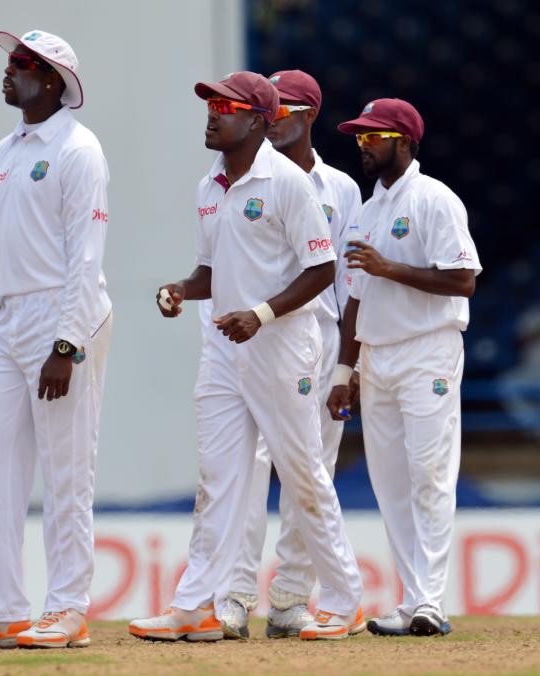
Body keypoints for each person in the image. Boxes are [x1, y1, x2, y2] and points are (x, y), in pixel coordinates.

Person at [129, 71, 362, 642]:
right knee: (219, 478)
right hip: (224, 350)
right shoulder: (209, 185)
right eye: (209, 104)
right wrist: (183, 290)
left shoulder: (286, 182)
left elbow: (321, 269)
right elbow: (212, 271)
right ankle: (199, 605)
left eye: (226, 106)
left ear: (259, 120)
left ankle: (344, 599)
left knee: (302, 471)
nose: (212, 114)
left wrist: (260, 314)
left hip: (282, 346)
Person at [0, 29, 112, 650]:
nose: (8, 72)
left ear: (54, 79)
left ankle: (67, 608)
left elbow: (85, 256)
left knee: (66, 467)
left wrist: (67, 344)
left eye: (22, 64)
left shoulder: (78, 149)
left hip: (62, 314)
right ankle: (0, 610)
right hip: (7, 320)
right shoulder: (4, 151)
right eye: (9, 62)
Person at [328, 99, 481, 637]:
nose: (363, 145)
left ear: (405, 141)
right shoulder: (367, 211)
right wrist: (344, 371)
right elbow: (354, 300)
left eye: (375, 137)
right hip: (378, 353)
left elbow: (463, 279)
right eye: (360, 138)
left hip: (427, 351)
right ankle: (411, 598)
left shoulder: (435, 199)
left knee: (429, 476)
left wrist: (388, 267)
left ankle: (431, 602)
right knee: (390, 483)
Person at [222, 70, 366, 638]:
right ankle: (233, 596)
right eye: (268, 111)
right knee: (248, 468)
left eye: (284, 112)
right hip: (254, 338)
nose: (273, 121)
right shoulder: (240, 175)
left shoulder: (342, 189)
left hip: (317, 335)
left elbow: (350, 286)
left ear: (309, 116)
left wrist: (346, 366)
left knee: (312, 471)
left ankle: (288, 599)